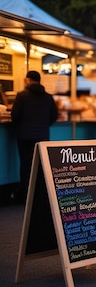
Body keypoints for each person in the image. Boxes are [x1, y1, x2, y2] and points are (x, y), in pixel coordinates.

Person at [10, 70, 58, 202]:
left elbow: (14, 116)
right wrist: (43, 125)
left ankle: (25, 195)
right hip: (42, 136)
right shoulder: (48, 97)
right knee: (40, 166)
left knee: (26, 165)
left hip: (25, 136)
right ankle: (40, 194)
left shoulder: (22, 95)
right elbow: (54, 115)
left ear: (28, 80)